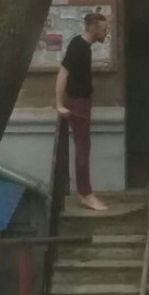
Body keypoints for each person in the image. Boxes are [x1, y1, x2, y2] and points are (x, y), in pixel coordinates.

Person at [55, 12, 109, 212]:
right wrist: (59, 104)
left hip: (82, 102)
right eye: (104, 29)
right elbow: (63, 74)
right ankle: (86, 194)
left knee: (83, 147)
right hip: (77, 103)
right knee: (83, 149)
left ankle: (84, 192)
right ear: (93, 29)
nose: (106, 33)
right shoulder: (78, 46)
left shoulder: (83, 46)